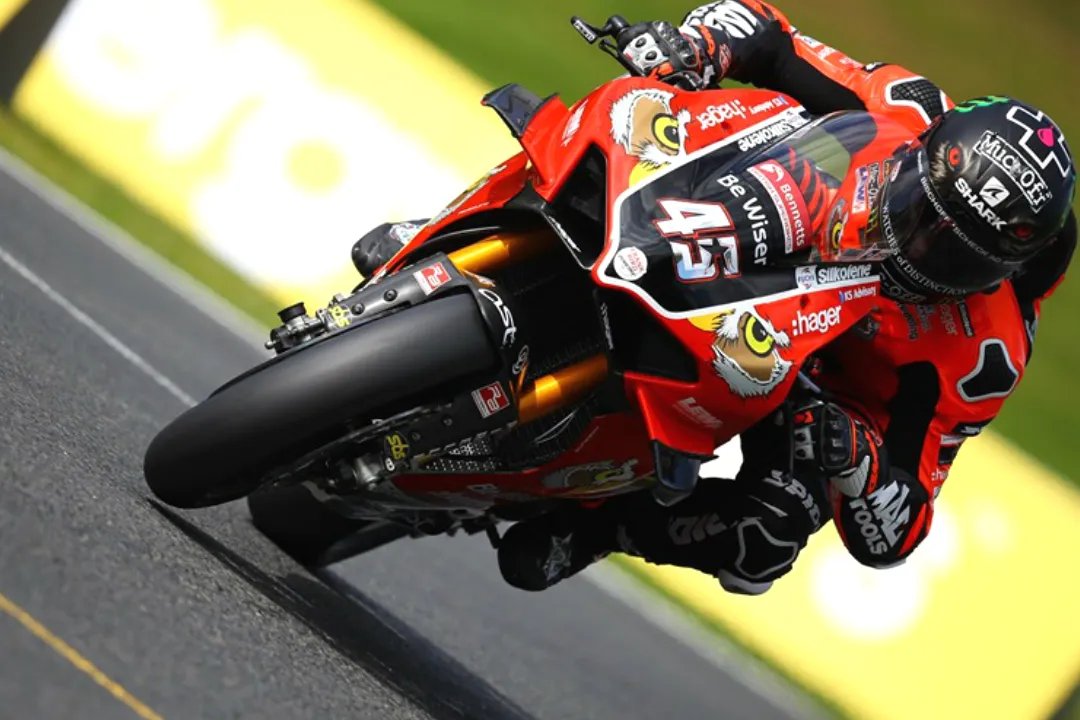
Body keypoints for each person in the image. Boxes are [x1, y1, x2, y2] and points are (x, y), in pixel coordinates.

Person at [358, 0, 1078, 594]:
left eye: (951, 251)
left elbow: (902, 525)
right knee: (628, 124)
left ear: (996, 271)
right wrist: (695, 47)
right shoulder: (904, 106)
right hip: (784, 209)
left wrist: (856, 462)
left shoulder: (980, 352)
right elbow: (770, 33)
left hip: (807, 377)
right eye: (924, 207)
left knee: (766, 538)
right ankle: (459, 228)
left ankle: (598, 525)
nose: (921, 243)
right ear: (928, 151)